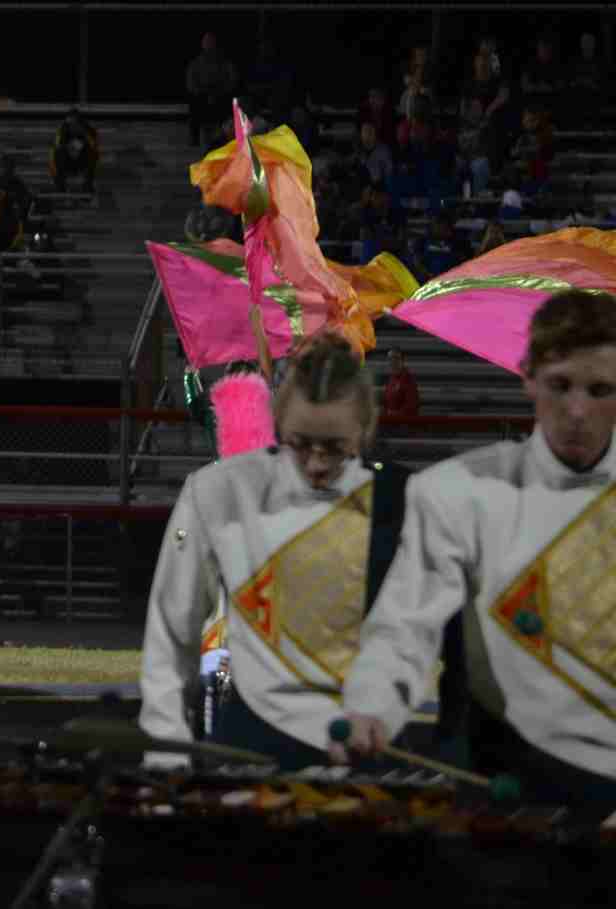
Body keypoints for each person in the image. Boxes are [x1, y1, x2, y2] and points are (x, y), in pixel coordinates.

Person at [332, 290, 616, 804]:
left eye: (600, 390)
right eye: (560, 385)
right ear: (527, 376)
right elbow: (405, 625)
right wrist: (371, 705)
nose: (577, 410)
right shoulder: (456, 493)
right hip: (498, 776)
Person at [139, 333, 462, 770]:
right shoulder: (223, 492)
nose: (316, 463)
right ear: (278, 421)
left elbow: (435, 640)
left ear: (364, 429)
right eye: (301, 443)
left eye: (335, 447)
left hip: (367, 755)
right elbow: (171, 635)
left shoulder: (405, 501)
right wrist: (165, 755)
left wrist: (389, 707)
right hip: (248, 751)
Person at [49, 107, 100, 194]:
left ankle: (87, 186)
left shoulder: (88, 130)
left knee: (93, 154)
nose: (73, 125)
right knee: (58, 153)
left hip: (82, 161)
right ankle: (60, 186)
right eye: (70, 122)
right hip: (67, 162)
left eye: (75, 122)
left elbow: (95, 147)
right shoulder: (62, 130)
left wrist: (84, 140)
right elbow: (55, 151)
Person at [380, 347, 420, 419]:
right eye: (390, 359)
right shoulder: (391, 379)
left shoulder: (408, 379)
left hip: (403, 423)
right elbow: (387, 402)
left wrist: (393, 414)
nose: (393, 361)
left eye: (396, 358)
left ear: (402, 361)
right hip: (391, 421)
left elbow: (411, 406)